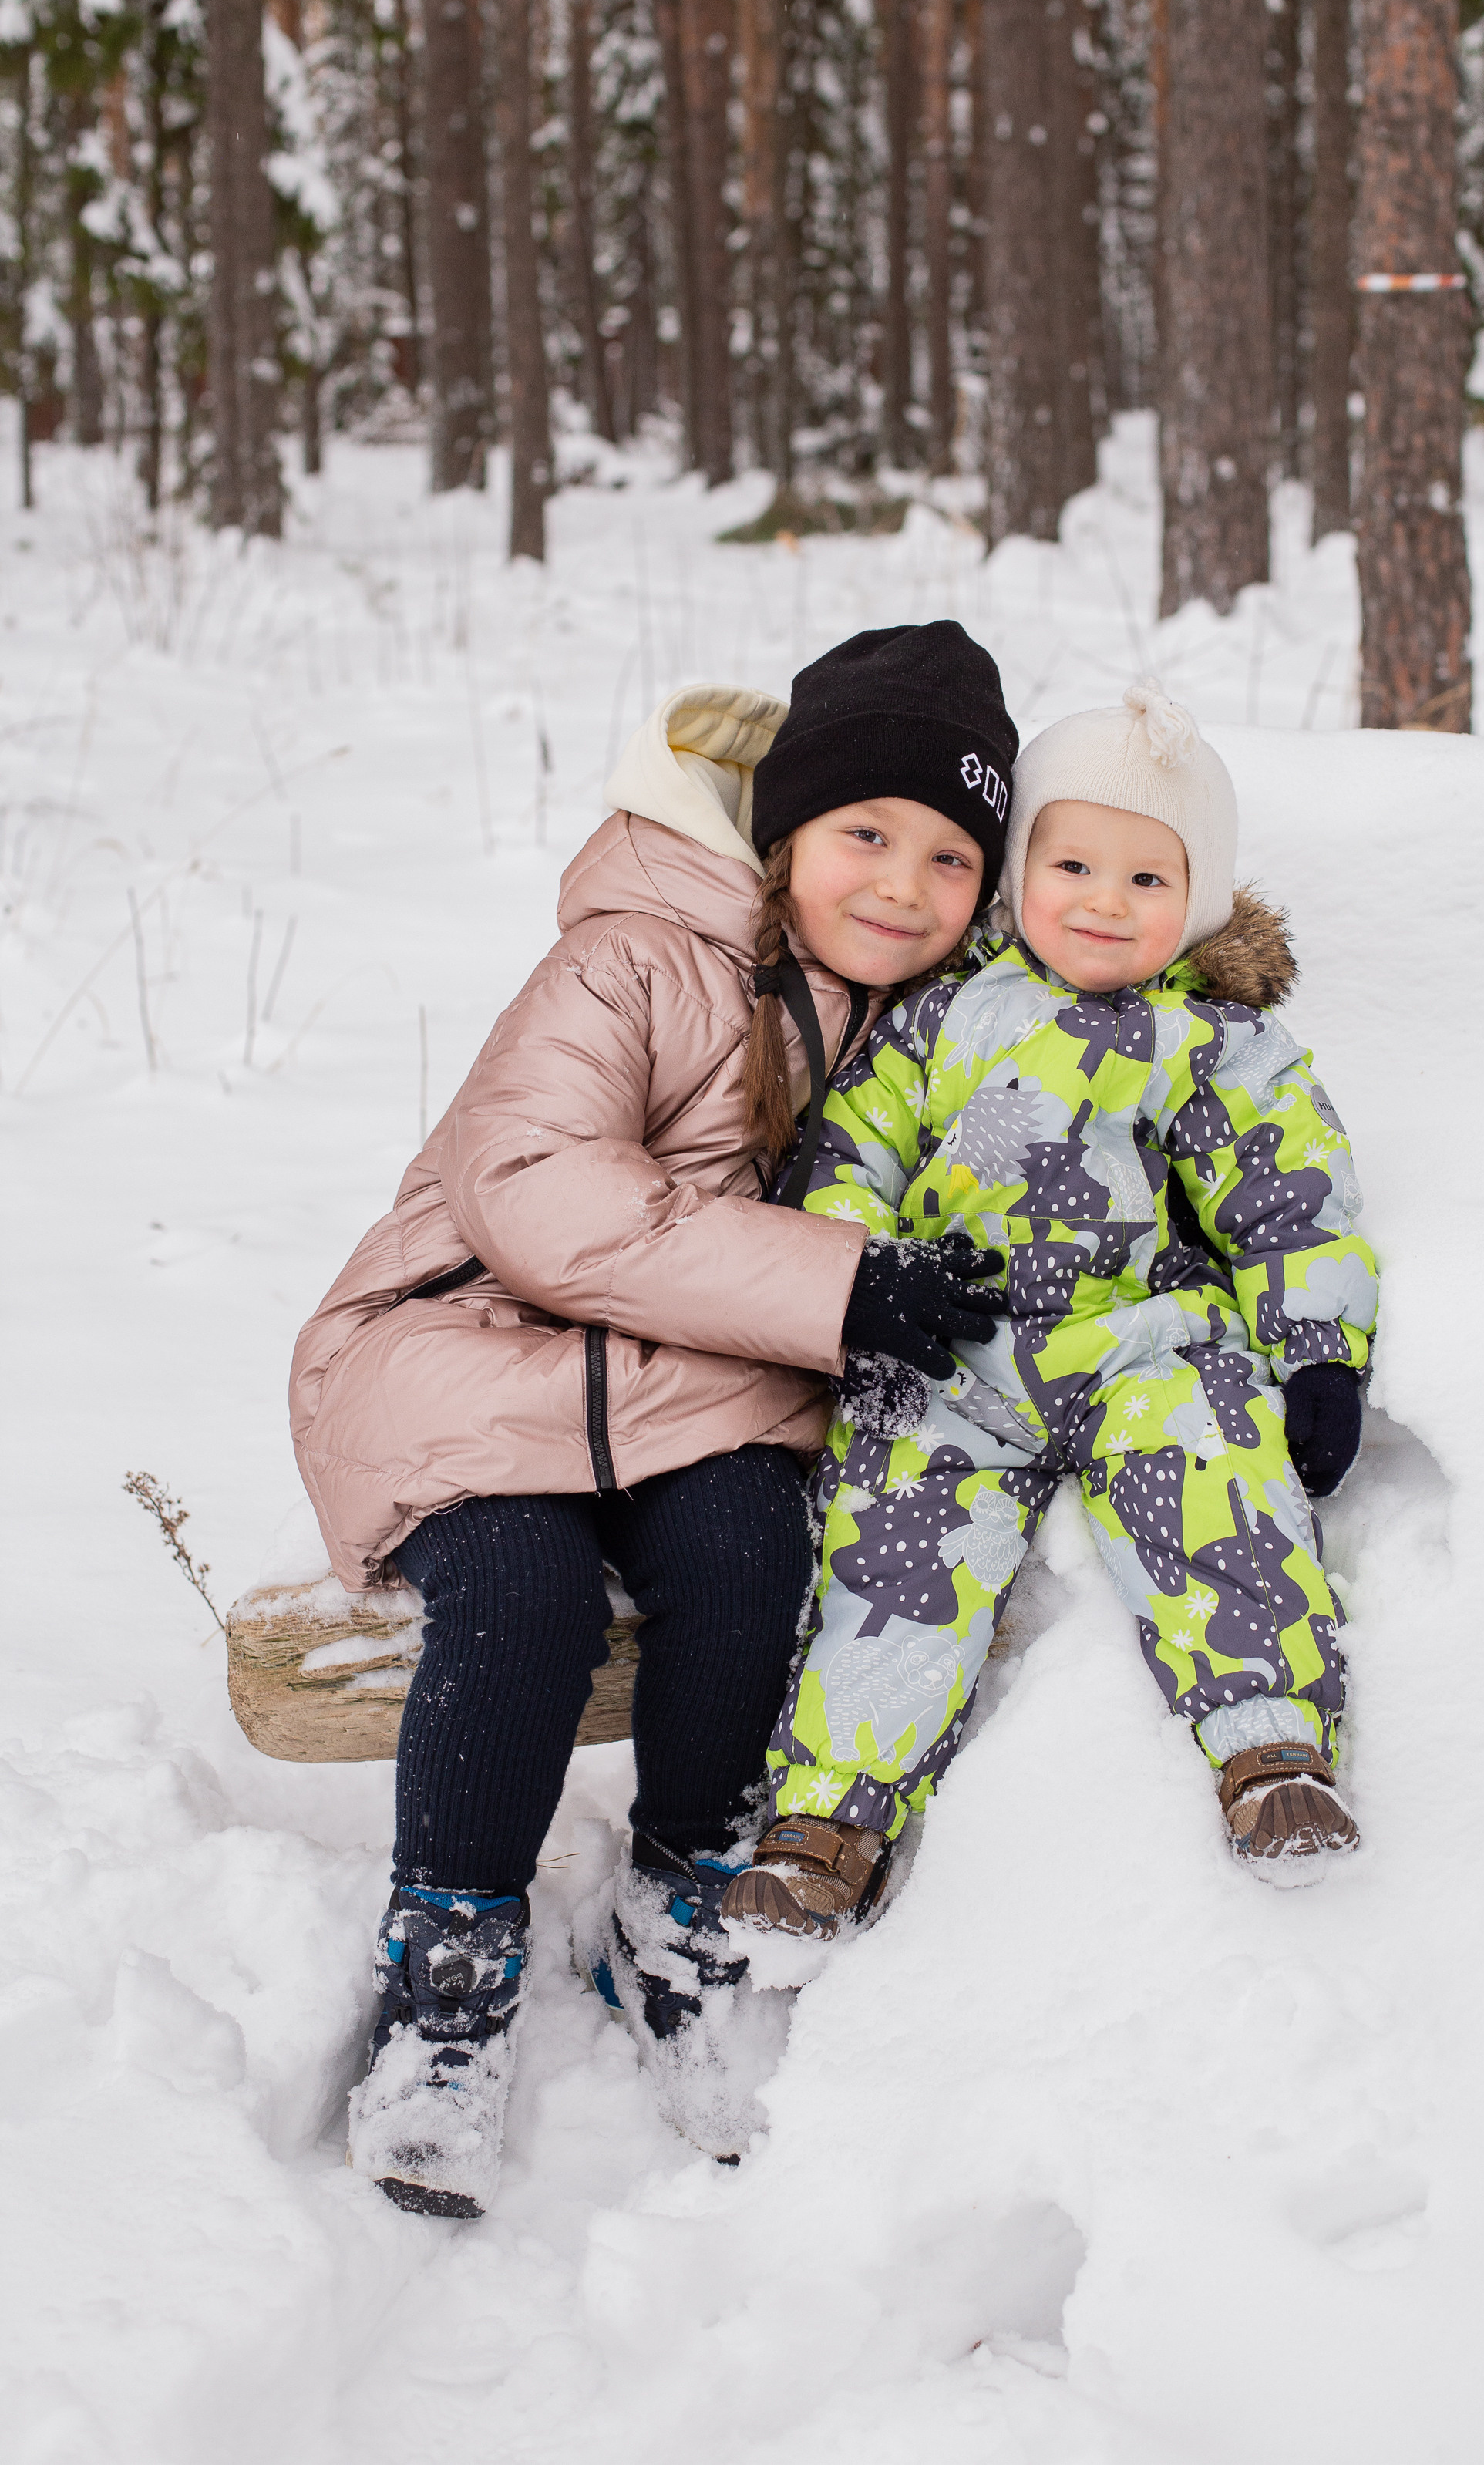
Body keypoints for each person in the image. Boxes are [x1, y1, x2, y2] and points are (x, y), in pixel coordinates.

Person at [288, 624, 1017, 2211]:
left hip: (694, 1389)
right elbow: (541, 1191)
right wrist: (840, 1286)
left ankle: (679, 1899)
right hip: (469, 1358)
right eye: (865, 835)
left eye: (953, 854)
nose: (902, 882)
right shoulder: (630, 955)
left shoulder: (942, 1024)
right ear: (782, 833)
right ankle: (452, 1960)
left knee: (757, 1554)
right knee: (528, 1592)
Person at [722, 682, 1379, 1943]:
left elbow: (1288, 1202)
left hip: (1140, 1344)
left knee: (1219, 1482)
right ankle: (827, 1819)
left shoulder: (1212, 1041)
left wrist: (1313, 1353)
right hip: (954, 1355)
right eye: (1071, 864)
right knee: (892, 1555)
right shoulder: (939, 1016)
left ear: (1194, 901)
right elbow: (849, 1155)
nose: (1101, 901)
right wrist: (858, 1276)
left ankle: (1271, 1750)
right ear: (1020, 868)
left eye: (1146, 880)